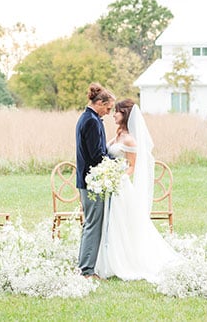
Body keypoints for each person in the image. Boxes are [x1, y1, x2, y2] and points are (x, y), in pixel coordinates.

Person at [94, 98, 182, 282]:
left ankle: (124, 260)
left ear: (124, 114)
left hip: (120, 186)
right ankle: (107, 259)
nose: (113, 115)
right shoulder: (118, 135)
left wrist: (116, 178)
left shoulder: (130, 140)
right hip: (110, 183)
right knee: (111, 223)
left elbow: (132, 167)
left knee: (122, 223)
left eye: (116, 111)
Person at [75, 82, 115, 278]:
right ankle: (86, 271)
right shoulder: (90, 121)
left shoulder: (91, 118)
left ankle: (86, 266)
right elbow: (96, 155)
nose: (108, 112)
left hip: (89, 180)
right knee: (92, 224)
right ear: (99, 102)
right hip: (91, 182)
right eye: (107, 108)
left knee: (91, 223)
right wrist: (116, 164)